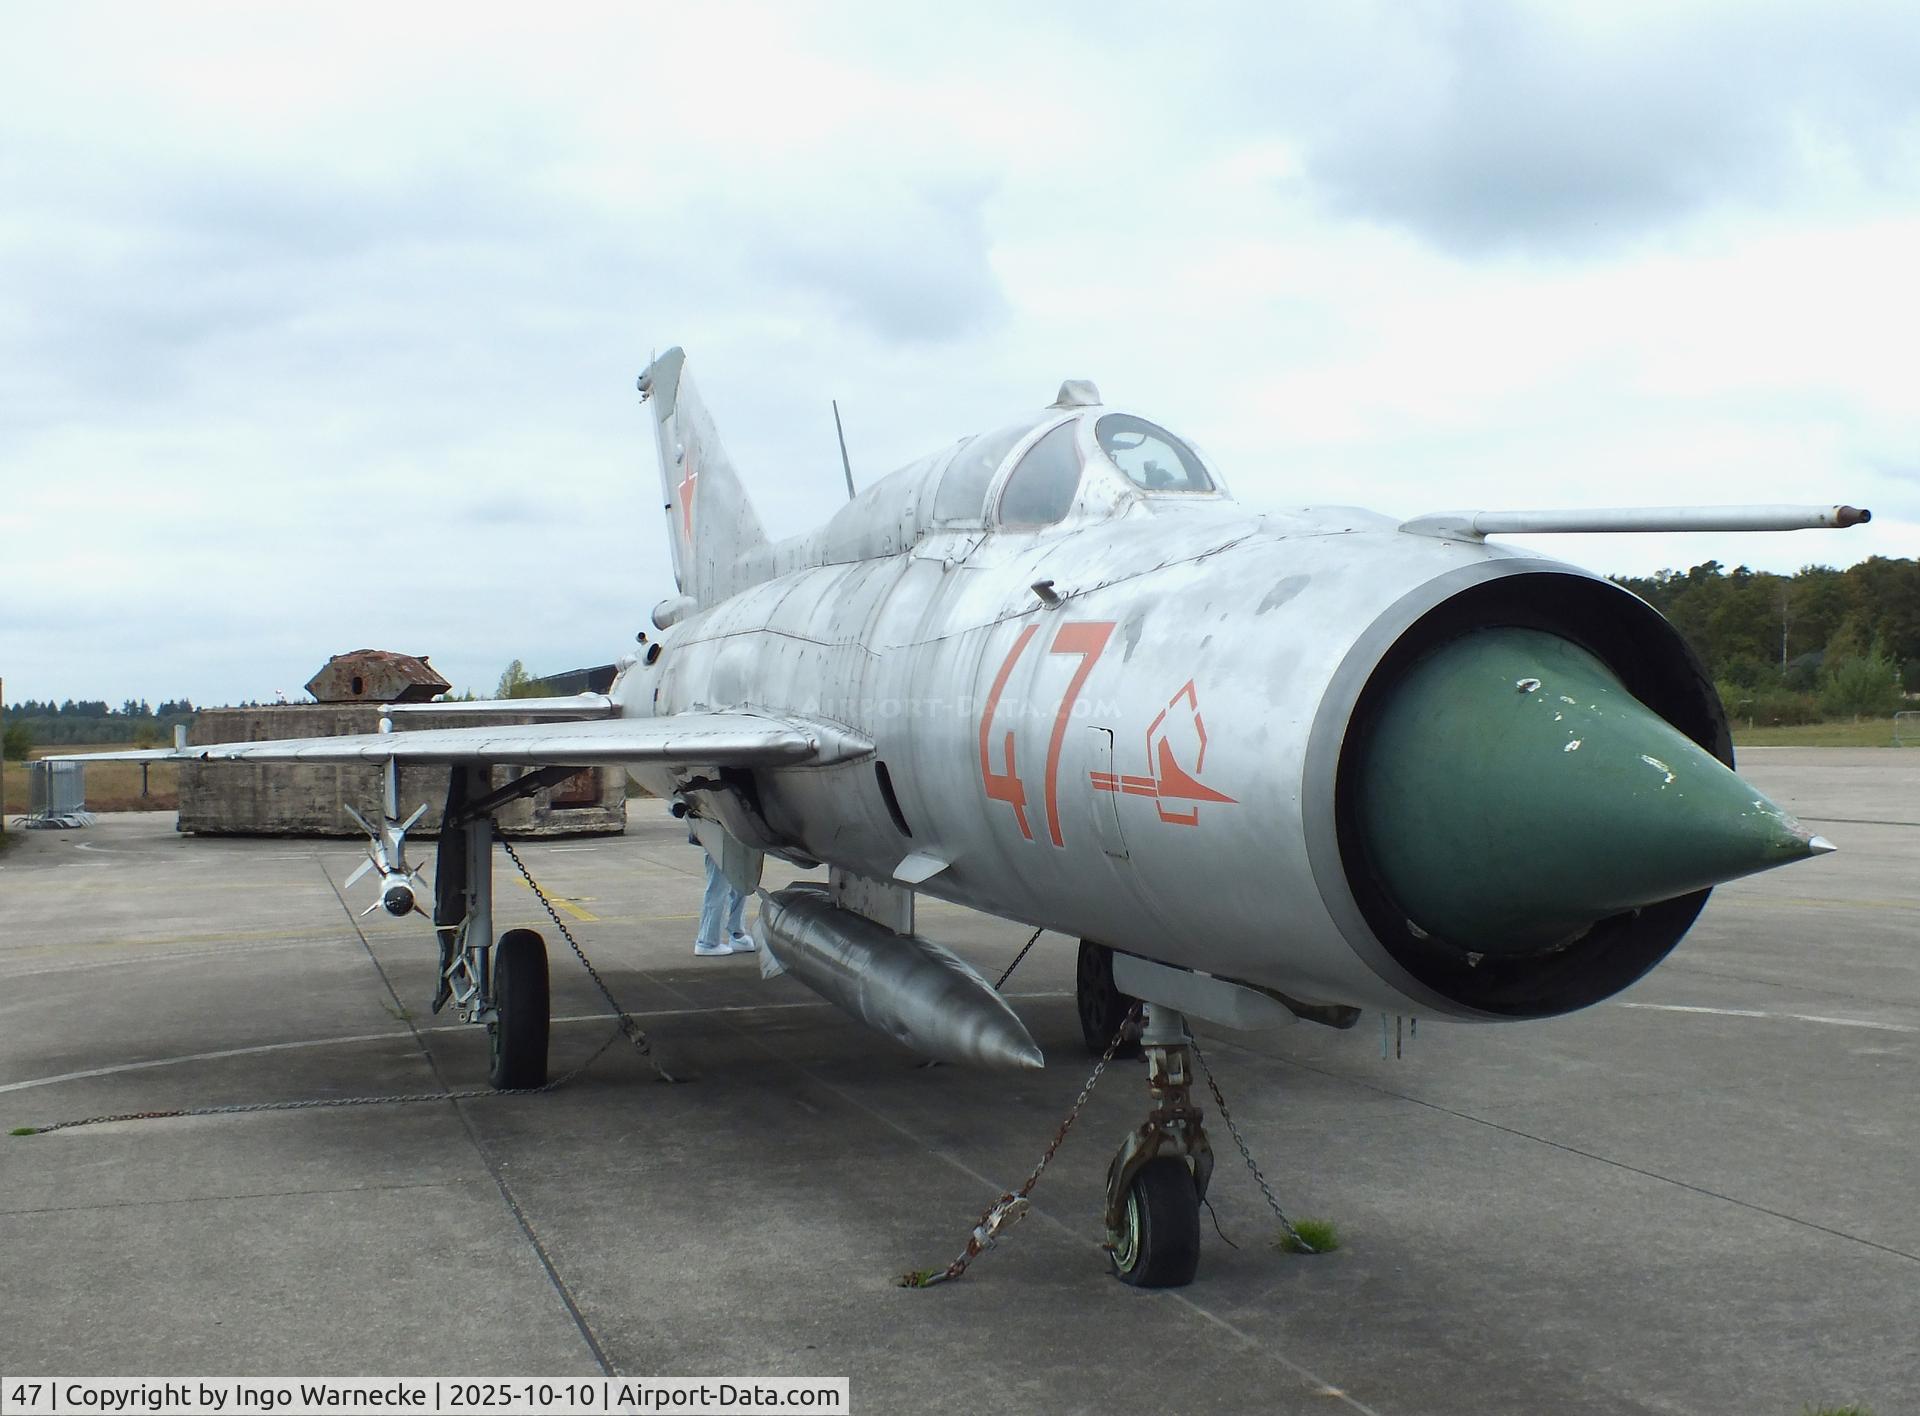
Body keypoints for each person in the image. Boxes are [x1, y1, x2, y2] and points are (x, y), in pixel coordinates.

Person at [693, 839, 755, 956]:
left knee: (740, 882)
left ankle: (737, 934)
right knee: (719, 886)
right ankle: (707, 941)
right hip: (719, 836)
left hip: (736, 837)